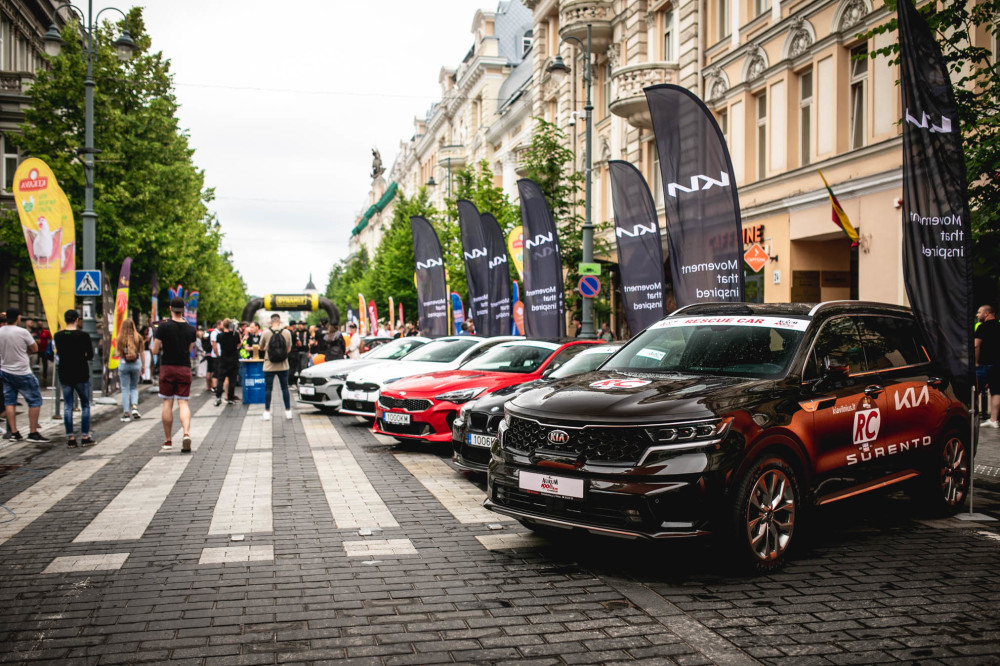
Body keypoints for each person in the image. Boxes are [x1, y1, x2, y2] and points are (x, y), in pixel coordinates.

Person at [151, 297, 196, 452]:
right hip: (184, 368)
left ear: (170, 308)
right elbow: (189, 351)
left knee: (167, 403)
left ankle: (168, 440)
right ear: (183, 309)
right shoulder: (191, 329)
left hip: (167, 368)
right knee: (183, 403)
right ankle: (186, 433)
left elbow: (155, 350)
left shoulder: (163, 327)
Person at [0, 308, 49, 442]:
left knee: (10, 401)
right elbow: (35, 348)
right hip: (22, 371)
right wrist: (23, 351)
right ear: (18, 318)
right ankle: (33, 432)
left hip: (5, 370)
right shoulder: (23, 332)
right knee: (35, 400)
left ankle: (14, 432)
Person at [53, 309, 94, 447]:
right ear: (77, 320)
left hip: (65, 373)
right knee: (85, 405)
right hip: (81, 372)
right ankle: (85, 436)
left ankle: (70, 438)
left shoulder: (58, 336)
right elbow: (91, 355)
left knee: (68, 406)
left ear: (66, 319)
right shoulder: (83, 335)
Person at [260, 313, 293, 420]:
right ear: (280, 321)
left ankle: (267, 412)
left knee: (268, 389)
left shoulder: (266, 333)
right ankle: (288, 411)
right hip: (283, 365)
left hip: (269, 365)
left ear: (271, 322)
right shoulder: (287, 332)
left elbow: (261, 347)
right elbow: (289, 348)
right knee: (284, 388)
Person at [116, 318, 145, 422]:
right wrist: (143, 366)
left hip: (124, 364)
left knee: (124, 388)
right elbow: (142, 353)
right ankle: (134, 407)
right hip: (136, 364)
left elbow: (117, 354)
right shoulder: (139, 338)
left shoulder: (120, 338)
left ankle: (126, 413)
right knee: (134, 387)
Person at [976, 304, 1000, 427]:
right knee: (996, 392)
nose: (977, 315)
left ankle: (970, 416)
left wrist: (975, 362)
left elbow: (976, 345)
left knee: (973, 390)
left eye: (979, 312)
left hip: (984, 365)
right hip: (997, 365)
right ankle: (994, 419)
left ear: (987, 314)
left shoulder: (982, 327)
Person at [214, 319, 241, 406]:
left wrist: (218, 354)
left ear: (223, 325)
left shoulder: (220, 336)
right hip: (233, 359)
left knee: (220, 379)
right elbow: (238, 345)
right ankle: (230, 398)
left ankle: (218, 397)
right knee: (232, 380)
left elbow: (217, 344)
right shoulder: (235, 335)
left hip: (223, 359)